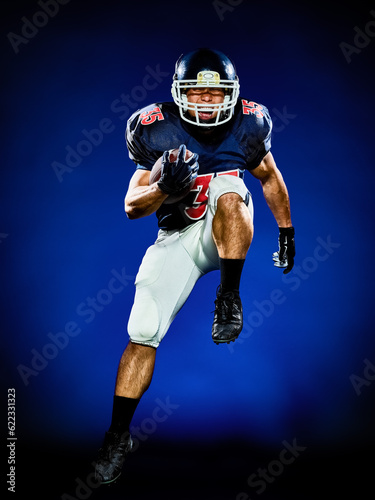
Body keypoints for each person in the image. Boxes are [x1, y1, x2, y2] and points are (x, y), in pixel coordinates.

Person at [94, 48, 295, 484]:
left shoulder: (249, 123)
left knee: (229, 190)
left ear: (231, 93)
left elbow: (269, 176)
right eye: (198, 92)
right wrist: (164, 187)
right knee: (142, 332)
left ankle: (229, 295)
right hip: (179, 237)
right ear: (180, 93)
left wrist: (287, 231)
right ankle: (116, 436)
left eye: (214, 92)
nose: (206, 101)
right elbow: (132, 206)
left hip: (225, 229)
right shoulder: (155, 129)